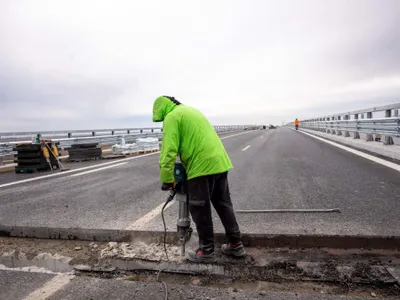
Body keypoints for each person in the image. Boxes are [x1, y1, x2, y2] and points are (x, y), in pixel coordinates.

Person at [152, 95, 245, 263]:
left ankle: (206, 250)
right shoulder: (191, 111)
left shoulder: (172, 117)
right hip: (220, 162)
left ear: (161, 109)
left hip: (201, 167)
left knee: (199, 208)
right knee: (223, 204)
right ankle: (236, 244)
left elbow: (168, 151)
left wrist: (167, 180)